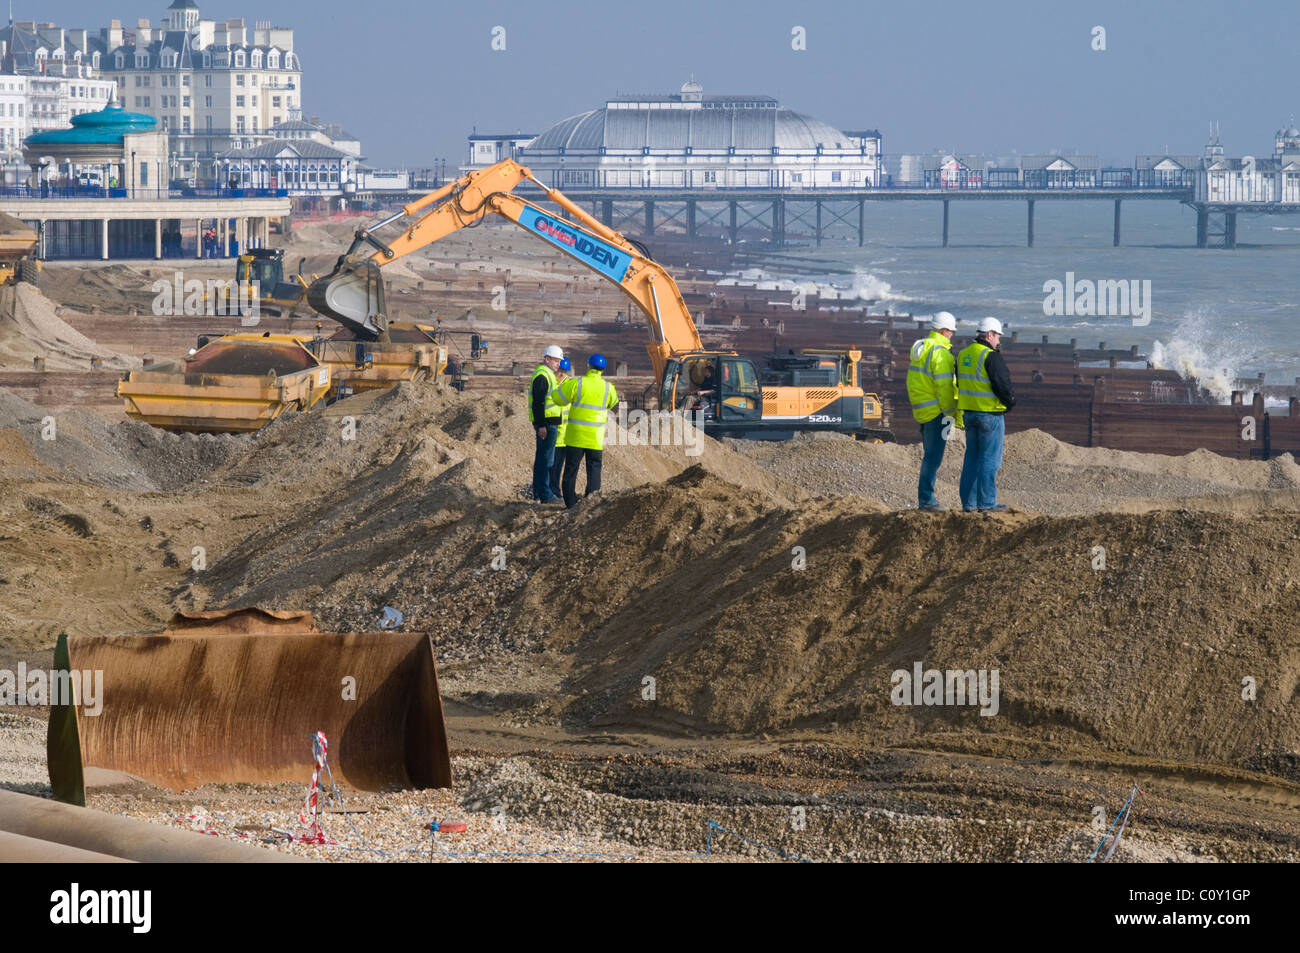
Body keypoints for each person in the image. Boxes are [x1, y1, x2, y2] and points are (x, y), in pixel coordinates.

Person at [957, 317, 1017, 512]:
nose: (999, 341)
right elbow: (1003, 385)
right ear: (989, 335)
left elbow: (959, 383)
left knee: (972, 459)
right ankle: (987, 503)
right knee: (990, 460)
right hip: (990, 416)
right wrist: (1010, 403)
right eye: (997, 336)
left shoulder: (963, 354)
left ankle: (969, 504)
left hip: (969, 413)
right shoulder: (990, 356)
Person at [907, 311, 962, 511]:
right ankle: (927, 500)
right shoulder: (941, 354)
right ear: (943, 330)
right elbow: (944, 388)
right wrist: (951, 414)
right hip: (937, 413)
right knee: (933, 457)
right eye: (950, 331)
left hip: (922, 410)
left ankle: (926, 498)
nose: (952, 335)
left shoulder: (922, 349)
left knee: (930, 455)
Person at [553, 353, 619, 509]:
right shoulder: (608, 387)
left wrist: (558, 386)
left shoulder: (578, 383)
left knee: (571, 470)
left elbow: (558, 399)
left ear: (588, 366)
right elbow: (613, 403)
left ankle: (571, 504)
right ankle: (590, 504)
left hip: (576, 436)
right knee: (594, 470)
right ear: (603, 369)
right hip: (595, 438)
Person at [528, 345, 564, 504]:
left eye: (559, 361)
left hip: (549, 423)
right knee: (546, 460)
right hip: (547, 424)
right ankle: (545, 495)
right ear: (546, 359)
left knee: (543, 459)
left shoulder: (548, 375)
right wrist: (541, 425)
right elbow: (538, 403)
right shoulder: (543, 376)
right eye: (555, 360)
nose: (558, 364)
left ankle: (539, 492)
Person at [548, 357, 572, 500]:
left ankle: (555, 492)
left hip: (564, 436)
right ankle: (549, 491)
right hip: (551, 431)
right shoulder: (550, 384)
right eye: (560, 371)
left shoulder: (569, 386)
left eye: (564, 371)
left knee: (557, 467)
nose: (562, 374)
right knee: (549, 466)